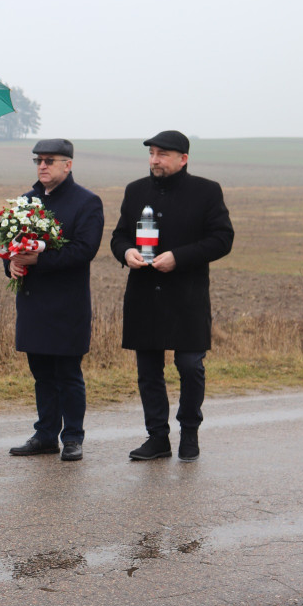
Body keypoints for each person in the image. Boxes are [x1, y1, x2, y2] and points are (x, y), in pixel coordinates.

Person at [110, 130, 234, 462]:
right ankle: (158, 438)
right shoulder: (136, 190)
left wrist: (179, 257)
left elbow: (222, 239)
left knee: (190, 365)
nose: (154, 160)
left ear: (183, 158)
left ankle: (189, 433)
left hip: (187, 298)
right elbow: (119, 235)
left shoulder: (207, 191)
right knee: (148, 371)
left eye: (162, 154)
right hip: (144, 296)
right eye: (151, 153)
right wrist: (126, 253)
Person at [6, 139, 104, 462]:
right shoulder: (27, 201)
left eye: (50, 160)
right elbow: (11, 245)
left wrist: (39, 260)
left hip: (67, 306)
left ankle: (73, 436)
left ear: (68, 165)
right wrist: (12, 263)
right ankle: (46, 434)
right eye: (38, 160)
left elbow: (83, 251)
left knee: (67, 373)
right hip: (34, 304)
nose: (42, 166)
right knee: (41, 373)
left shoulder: (87, 203)